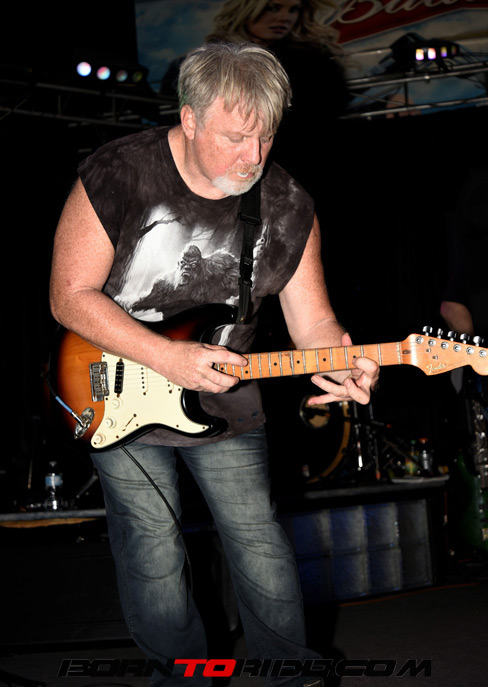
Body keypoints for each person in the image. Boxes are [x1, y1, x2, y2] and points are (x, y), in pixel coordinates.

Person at [50, 42, 378, 686]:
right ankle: (184, 677)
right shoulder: (118, 174)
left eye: (267, 136)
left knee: (258, 536)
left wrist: (343, 364)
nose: (253, 156)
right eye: (234, 137)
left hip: (225, 393)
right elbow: (69, 296)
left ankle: (288, 672)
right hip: (114, 385)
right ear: (190, 118)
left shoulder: (287, 205)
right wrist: (163, 355)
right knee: (151, 543)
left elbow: (313, 323)